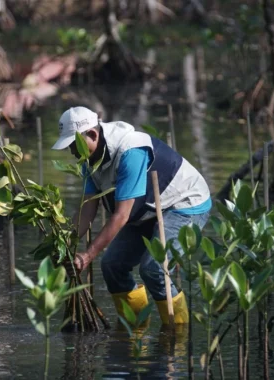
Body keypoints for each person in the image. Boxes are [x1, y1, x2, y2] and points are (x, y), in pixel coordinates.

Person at [51, 106, 211, 325]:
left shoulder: (131, 151)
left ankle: (178, 335)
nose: (72, 152)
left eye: (74, 145)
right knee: (111, 265)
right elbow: (89, 207)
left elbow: (121, 216)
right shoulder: (88, 159)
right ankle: (134, 328)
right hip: (147, 211)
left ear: (93, 135)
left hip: (183, 204)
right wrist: (66, 245)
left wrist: (87, 256)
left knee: (154, 268)